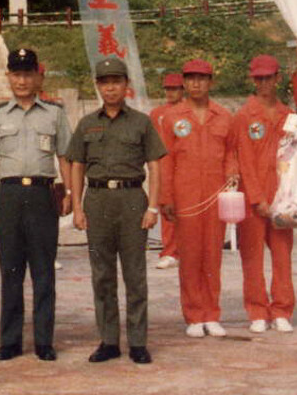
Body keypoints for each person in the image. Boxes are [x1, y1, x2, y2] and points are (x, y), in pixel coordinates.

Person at [66, 56, 167, 365]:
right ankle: (108, 340)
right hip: (97, 201)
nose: (111, 88)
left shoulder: (141, 121)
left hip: (132, 200)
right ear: (98, 86)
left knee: (135, 274)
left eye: (116, 82)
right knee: (102, 275)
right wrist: (78, 208)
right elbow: (77, 165)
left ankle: (137, 342)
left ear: (126, 85)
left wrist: (152, 205)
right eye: (105, 82)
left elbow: (155, 165)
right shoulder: (87, 123)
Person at [0, 48, 73, 361]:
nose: (22, 80)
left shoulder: (54, 114)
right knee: (11, 272)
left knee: (44, 272)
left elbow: (64, 156)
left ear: (37, 76)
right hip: (7, 195)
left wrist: (71, 191)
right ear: (8, 77)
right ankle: (10, 341)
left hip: (42, 195)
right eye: (16, 74)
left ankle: (44, 341)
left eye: (27, 74)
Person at [159, 58, 235, 338]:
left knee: (212, 255)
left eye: (202, 78)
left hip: (215, 193)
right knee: (189, 256)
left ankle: (212, 313)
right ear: (184, 82)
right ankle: (193, 314)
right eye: (190, 78)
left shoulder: (224, 116)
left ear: (211, 82)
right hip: (185, 193)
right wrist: (165, 197)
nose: (196, 83)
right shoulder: (172, 118)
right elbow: (164, 159)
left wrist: (231, 180)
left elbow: (231, 154)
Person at [227, 54, 295, 333]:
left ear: (278, 78)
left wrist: (286, 197)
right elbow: (243, 160)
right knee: (252, 257)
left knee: (282, 255)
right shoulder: (244, 116)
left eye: (268, 77)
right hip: (253, 196)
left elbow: (295, 158)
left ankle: (281, 309)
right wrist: (257, 199)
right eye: (259, 78)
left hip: (283, 196)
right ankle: (256, 309)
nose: (264, 83)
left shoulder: (289, 116)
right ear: (253, 80)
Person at [149, 72, 184, 269]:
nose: (171, 93)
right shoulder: (157, 113)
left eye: (175, 89)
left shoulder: (188, 111)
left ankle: (185, 250)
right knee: (166, 207)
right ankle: (169, 251)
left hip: (185, 165)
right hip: (164, 165)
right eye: (168, 89)